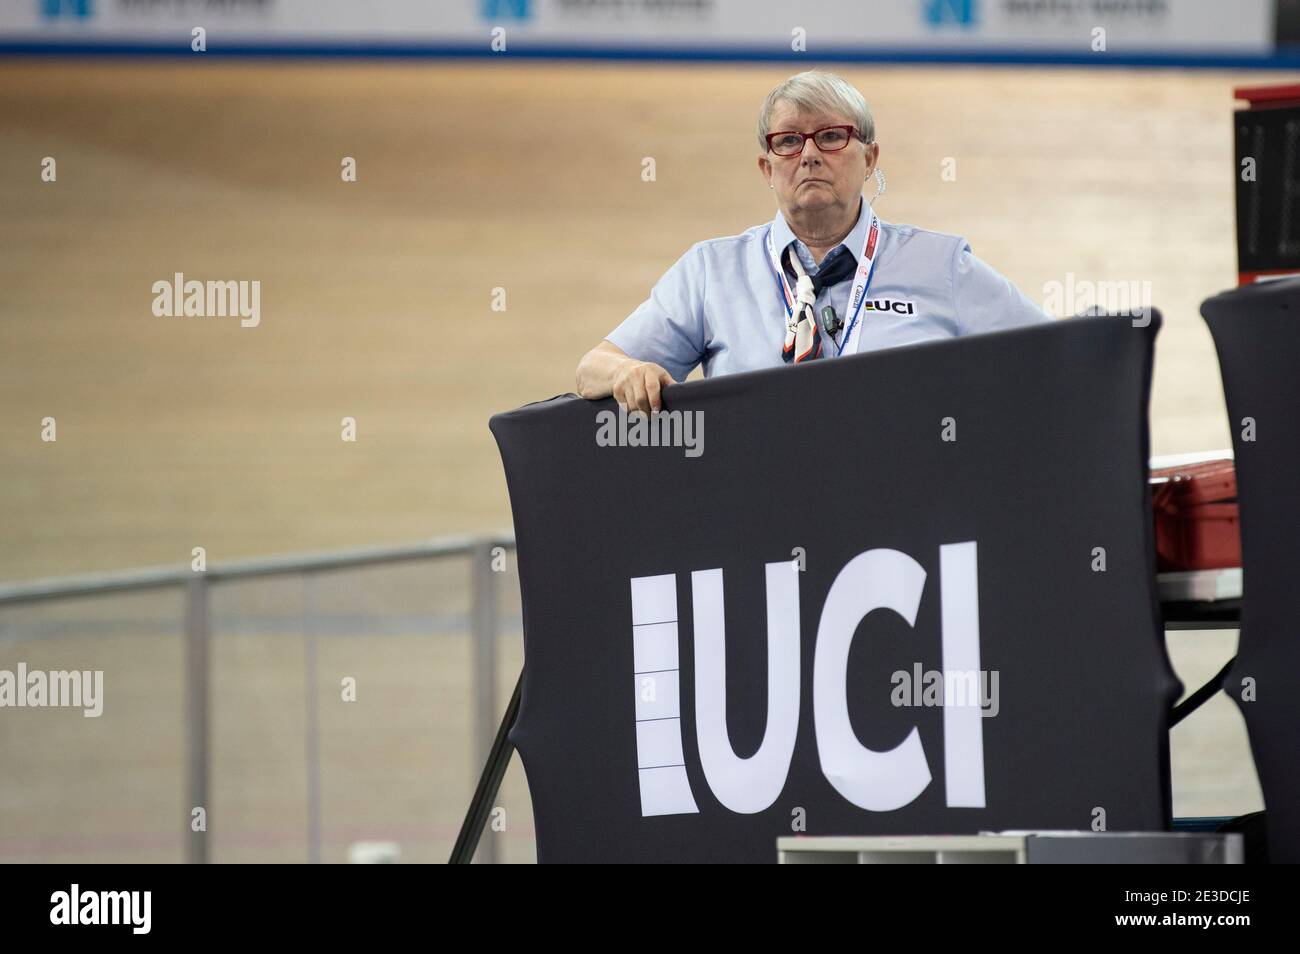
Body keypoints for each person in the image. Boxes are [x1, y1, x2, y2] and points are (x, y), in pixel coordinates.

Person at [575, 69, 1051, 414]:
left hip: (903, 520)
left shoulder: (941, 265)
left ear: (870, 158)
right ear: (767, 168)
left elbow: (1051, 356)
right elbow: (592, 368)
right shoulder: (710, 272)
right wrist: (624, 373)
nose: (808, 155)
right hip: (760, 521)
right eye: (788, 141)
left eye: (830, 136)